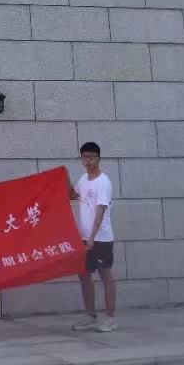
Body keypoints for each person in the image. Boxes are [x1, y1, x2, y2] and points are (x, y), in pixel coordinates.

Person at [69, 142, 117, 332]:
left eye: (91, 157)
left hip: (100, 238)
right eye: (85, 157)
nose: (88, 160)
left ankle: (110, 318)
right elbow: (72, 194)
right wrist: (61, 177)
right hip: (84, 237)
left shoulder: (103, 182)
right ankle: (90, 315)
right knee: (84, 275)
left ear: (98, 158)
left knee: (105, 275)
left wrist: (92, 237)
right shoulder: (84, 179)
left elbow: (100, 212)